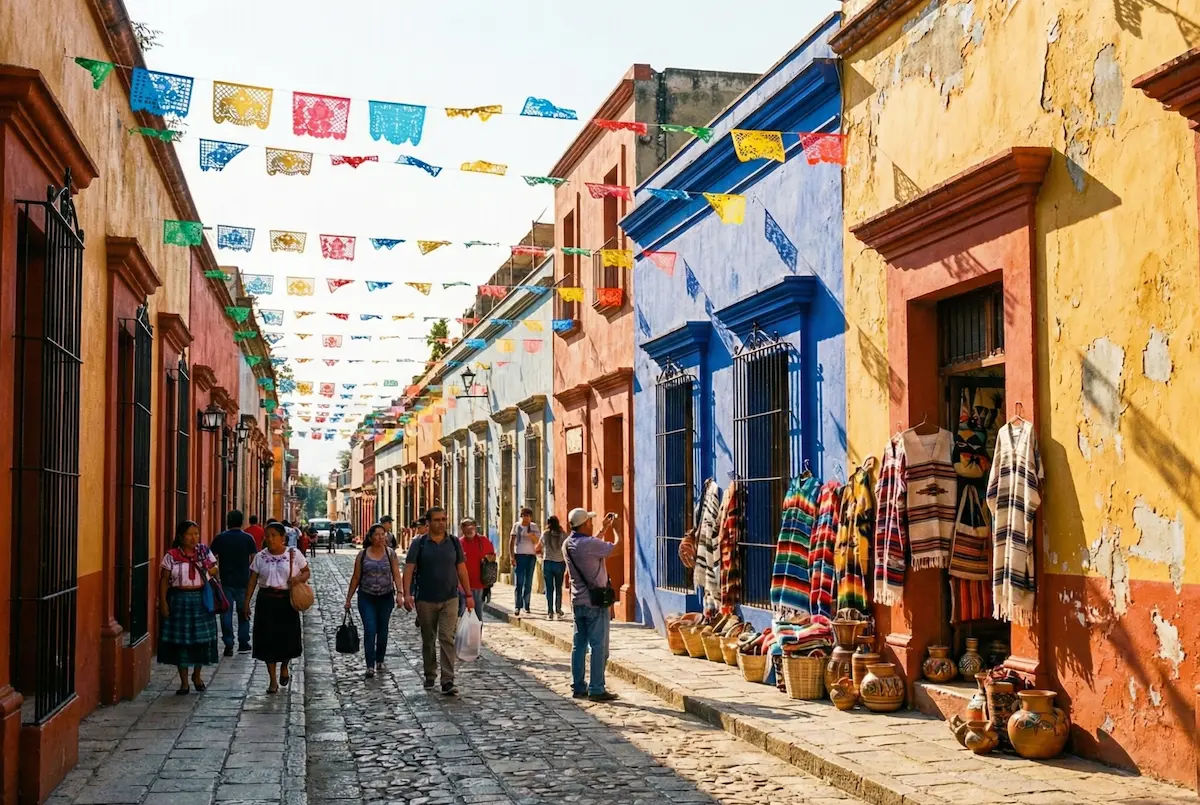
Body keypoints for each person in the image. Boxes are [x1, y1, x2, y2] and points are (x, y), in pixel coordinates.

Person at [402, 507, 473, 696]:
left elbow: (461, 568)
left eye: (444, 519)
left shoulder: (454, 542)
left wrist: (468, 594)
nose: (441, 523)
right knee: (428, 639)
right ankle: (430, 673)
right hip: (425, 599)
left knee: (447, 638)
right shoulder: (419, 544)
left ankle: (448, 680)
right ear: (428, 522)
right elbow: (409, 569)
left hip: (450, 597)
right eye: (437, 520)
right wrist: (406, 594)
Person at [244, 521, 310, 693]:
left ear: (283, 538)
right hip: (266, 601)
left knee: (287, 638)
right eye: (268, 536)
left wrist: (298, 579)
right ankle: (272, 679)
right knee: (267, 640)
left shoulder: (293, 554)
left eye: (274, 535)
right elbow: (252, 581)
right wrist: (246, 603)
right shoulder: (260, 557)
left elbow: (306, 571)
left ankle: (285, 666)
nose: (270, 539)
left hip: (286, 601)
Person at [158, 520, 221, 695]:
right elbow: (164, 580)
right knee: (182, 642)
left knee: (201, 641)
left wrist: (207, 570)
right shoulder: (171, 556)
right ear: (180, 536)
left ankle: (197, 675)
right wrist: (162, 602)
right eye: (190, 534)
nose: (194, 537)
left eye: (196, 533)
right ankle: (184, 682)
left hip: (201, 599)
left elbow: (215, 568)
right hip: (179, 600)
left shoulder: (203, 552)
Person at [565, 508, 619, 702]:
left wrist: (604, 529)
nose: (591, 523)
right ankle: (597, 688)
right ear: (584, 524)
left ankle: (578, 686)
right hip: (595, 602)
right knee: (599, 646)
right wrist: (617, 531)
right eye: (589, 521)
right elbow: (615, 549)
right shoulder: (588, 544)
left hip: (577, 601)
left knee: (579, 645)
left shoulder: (568, 543)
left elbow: (592, 547)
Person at [343, 523, 403, 679]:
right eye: (377, 534)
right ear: (370, 537)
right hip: (366, 597)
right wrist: (348, 598)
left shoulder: (391, 554)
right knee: (370, 630)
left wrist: (400, 593)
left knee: (382, 630)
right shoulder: (362, 555)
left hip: (386, 596)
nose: (380, 537)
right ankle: (370, 665)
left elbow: (396, 574)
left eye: (383, 534)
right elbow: (356, 577)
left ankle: (380, 659)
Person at [210, 510, 256, 657]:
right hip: (243, 581)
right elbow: (254, 560)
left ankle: (229, 644)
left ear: (228, 521)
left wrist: (216, 576)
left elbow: (210, 558)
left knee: (226, 614)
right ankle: (243, 643)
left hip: (225, 582)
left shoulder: (220, 538)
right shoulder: (248, 538)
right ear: (242, 521)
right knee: (244, 613)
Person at [458, 518, 494, 622]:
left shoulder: (484, 541)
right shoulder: (459, 543)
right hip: (462, 587)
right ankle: (462, 637)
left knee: (478, 617)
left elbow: (492, 559)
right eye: (466, 526)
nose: (469, 528)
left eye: (472, 525)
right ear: (462, 529)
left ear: (475, 527)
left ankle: (476, 637)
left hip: (479, 586)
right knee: (462, 615)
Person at [509, 508, 540, 616]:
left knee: (528, 582)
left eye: (528, 516)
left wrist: (531, 534)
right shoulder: (517, 526)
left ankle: (527, 605)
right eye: (524, 515)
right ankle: (518, 606)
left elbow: (538, 541)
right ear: (521, 516)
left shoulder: (534, 527)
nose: (526, 518)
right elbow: (511, 541)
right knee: (519, 582)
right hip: (519, 556)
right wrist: (512, 557)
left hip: (531, 556)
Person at [540, 516, 568, 620]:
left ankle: (550, 612)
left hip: (547, 562)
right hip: (559, 562)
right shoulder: (562, 534)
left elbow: (541, 545)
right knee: (558, 587)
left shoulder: (545, 533)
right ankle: (558, 609)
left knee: (549, 588)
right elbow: (566, 546)